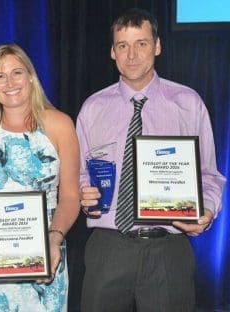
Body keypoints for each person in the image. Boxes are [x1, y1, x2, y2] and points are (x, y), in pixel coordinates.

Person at [77, 8, 226, 312]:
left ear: (157, 47)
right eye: (123, 45)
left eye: (141, 43)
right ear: (112, 52)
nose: (132, 55)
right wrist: (83, 192)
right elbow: (79, 173)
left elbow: (209, 175)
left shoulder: (188, 104)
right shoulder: (93, 108)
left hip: (168, 247)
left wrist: (207, 210)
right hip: (108, 245)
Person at [0, 43, 80, 311]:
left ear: (31, 77)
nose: (9, 82)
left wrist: (54, 238)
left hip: (46, 251)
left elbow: (70, 196)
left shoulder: (60, 124)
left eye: (17, 73)